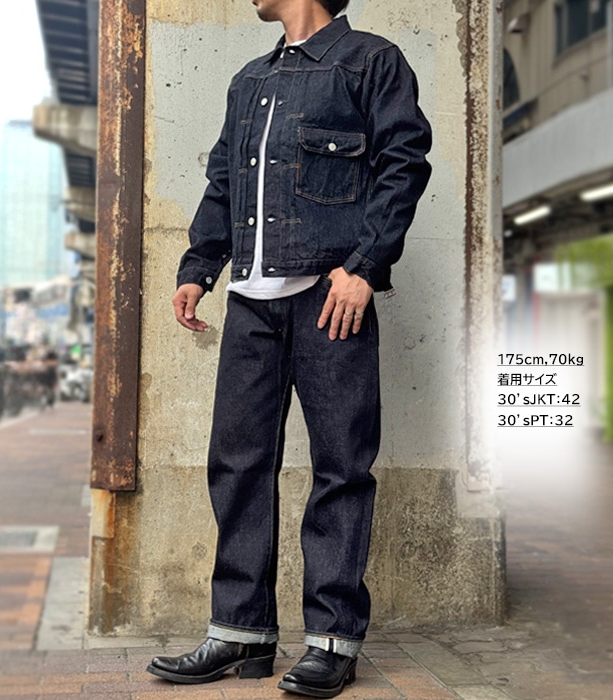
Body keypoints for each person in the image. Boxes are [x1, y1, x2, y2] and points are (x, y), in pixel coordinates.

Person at [146, 0, 432, 696]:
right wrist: (198, 268)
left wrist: (364, 268)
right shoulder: (250, 78)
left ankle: (333, 642)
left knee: (341, 467)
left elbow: (403, 163)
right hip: (252, 301)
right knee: (238, 464)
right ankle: (240, 633)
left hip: (329, 296)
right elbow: (224, 179)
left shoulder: (370, 61)